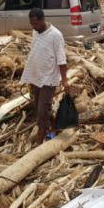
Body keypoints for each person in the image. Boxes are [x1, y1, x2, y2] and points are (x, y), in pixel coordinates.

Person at [21, 8, 70, 144]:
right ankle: (55, 128)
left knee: (42, 113)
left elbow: (61, 59)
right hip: (36, 77)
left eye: (36, 24)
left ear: (42, 20)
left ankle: (39, 143)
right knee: (40, 108)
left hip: (49, 79)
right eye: (31, 24)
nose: (34, 27)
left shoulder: (55, 35)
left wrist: (64, 80)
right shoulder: (35, 32)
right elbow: (35, 52)